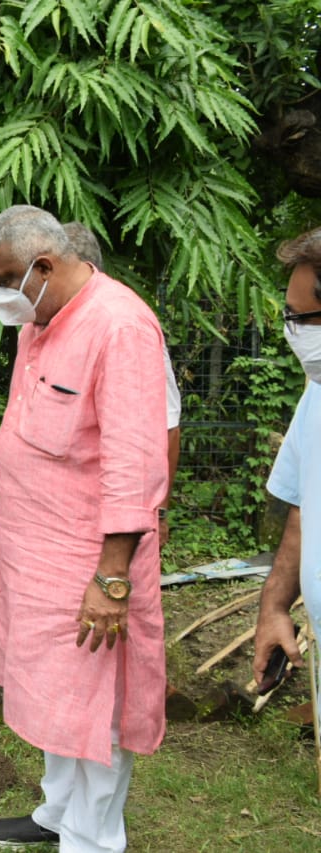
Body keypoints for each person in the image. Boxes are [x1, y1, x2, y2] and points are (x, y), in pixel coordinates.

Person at [0, 205, 169, 851]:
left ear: (45, 265)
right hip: (33, 551)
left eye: (7, 279)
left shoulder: (121, 326)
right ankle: (56, 812)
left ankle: (91, 839)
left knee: (97, 706)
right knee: (52, 694)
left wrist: (112, 577)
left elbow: (132, 464)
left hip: (91, 562)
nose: (0, 295)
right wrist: (5, 529)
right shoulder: (42, 319)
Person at [62, 222, 182, 545]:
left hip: (117, 519)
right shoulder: (51, 329)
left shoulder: (126, 328)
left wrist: (160, 513)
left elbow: (168, 429)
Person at [252, 227, 321, 707]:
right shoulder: (316, 396)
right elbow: (303, 505)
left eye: (302, 319)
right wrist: (275, 606)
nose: (291, 330)